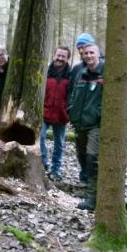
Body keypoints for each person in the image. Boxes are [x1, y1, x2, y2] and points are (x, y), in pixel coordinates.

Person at [67, 43, 105, 210]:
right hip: (79, 124)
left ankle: (92, 198)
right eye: (86, 53)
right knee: (82, 157)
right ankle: (90, 189)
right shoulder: (81, 73)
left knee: (92, 159)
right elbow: (74, 95)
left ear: (98, 54)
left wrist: (98, 115)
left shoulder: (106, 73)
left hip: (95, 125)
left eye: (92, 53)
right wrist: (71, 111)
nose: (88, 56)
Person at [40, 45, 71, 182]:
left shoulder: (70, 74)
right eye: (58, 55)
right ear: (54, 55)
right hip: (44, 113)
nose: (60, 58)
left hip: (61, 115)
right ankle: (43, 163)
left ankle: (55, 169)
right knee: (39, 137)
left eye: (63, 56)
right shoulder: (45, 71)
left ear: (67, 58)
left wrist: (68, 110)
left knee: (59, 143)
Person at [69, 32, 96, 183]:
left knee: (92, 154)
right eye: (79, 48)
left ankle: (91, 184)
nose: (82, 51)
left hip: (94, 120)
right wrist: (71, 111)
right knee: (80, 152)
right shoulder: (77, 69)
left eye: (85, 47)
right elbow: (71, 92)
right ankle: (84, 178)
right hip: (78, 120)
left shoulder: (104, 66)